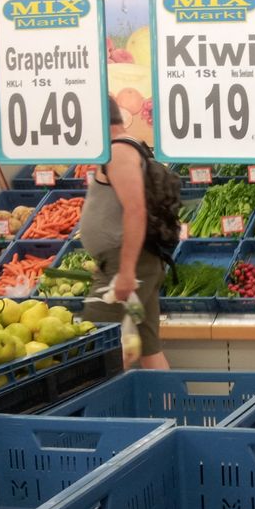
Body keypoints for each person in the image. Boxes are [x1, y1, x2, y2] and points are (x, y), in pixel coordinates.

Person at [79, 98, 170, 368]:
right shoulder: (129, 147)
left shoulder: (117, 152)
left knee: (97, 343)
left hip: (126, 264)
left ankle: (108, 409)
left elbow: (135, 210)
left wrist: (126, 271)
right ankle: (167, 408)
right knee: (147, 347)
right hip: (135, 262)